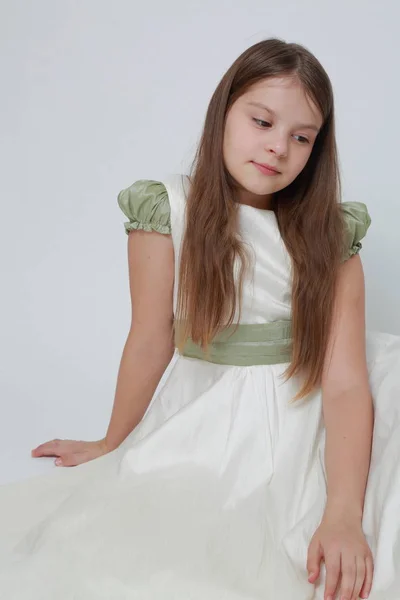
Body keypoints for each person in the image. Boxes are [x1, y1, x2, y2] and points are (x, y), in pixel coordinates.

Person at [0, 37, 399, 600]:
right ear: (223, 113)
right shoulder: (168, 211)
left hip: (310, 411)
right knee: (161, 550)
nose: (277, 148)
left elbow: (345, 382)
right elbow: (149, 338)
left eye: (301, 137)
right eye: (261, 121)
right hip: (209, 413)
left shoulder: (330, 235)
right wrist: (112, 441)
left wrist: (342, 514)